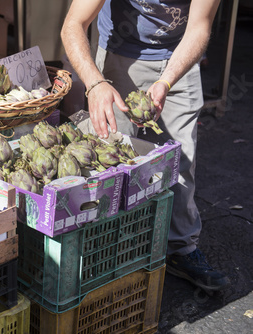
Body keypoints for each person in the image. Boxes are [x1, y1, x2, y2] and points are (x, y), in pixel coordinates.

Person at [61, 0, 230, 291]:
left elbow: (200, 27)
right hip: (121, 53)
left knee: (182, 161)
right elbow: (73, 25)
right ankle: (104, 249)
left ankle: (181, 248)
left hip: (181, 55)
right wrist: (94, 83)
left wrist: (166, 81)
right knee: (112, 159)